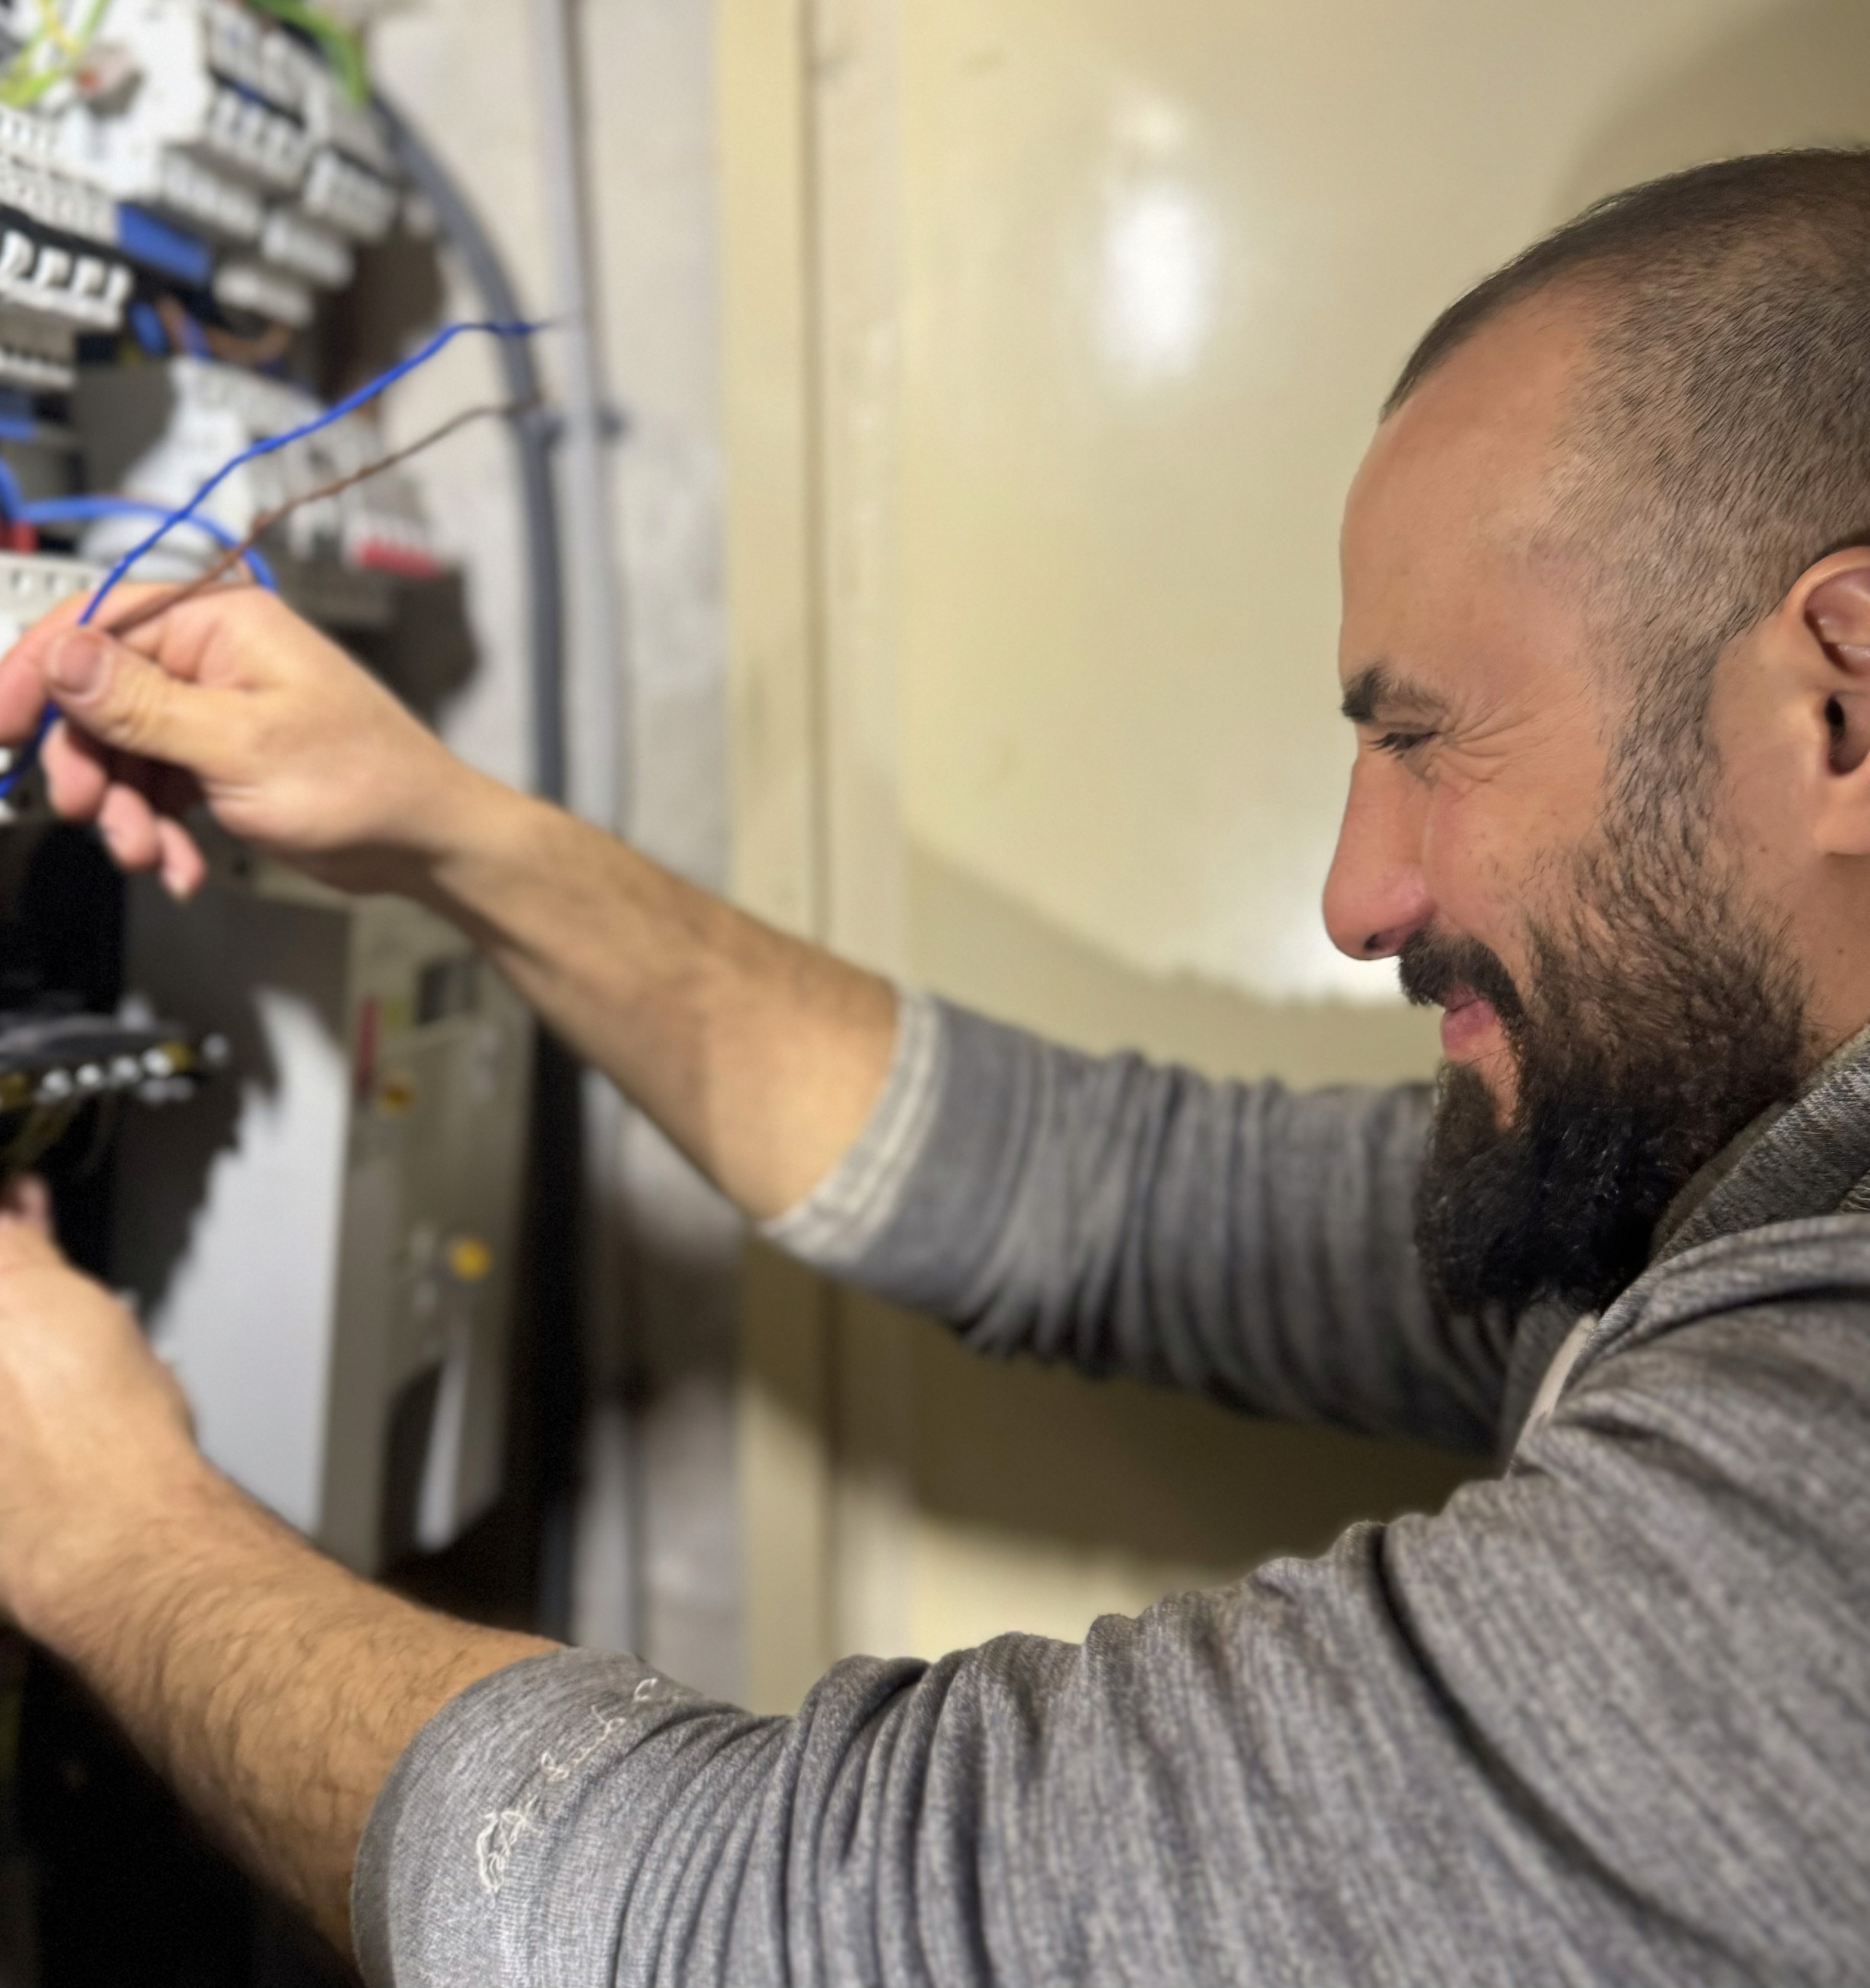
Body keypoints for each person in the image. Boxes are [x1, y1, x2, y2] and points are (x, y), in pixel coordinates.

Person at [0, 144, 1867, 1985]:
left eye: (1431, 737)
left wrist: (104, 1523)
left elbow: (742, 1938)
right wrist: (446, 833)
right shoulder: (1674, 1151)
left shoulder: (1822, 1509)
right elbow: (1112, 1202)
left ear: (1846, 701)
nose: (1356, 897)